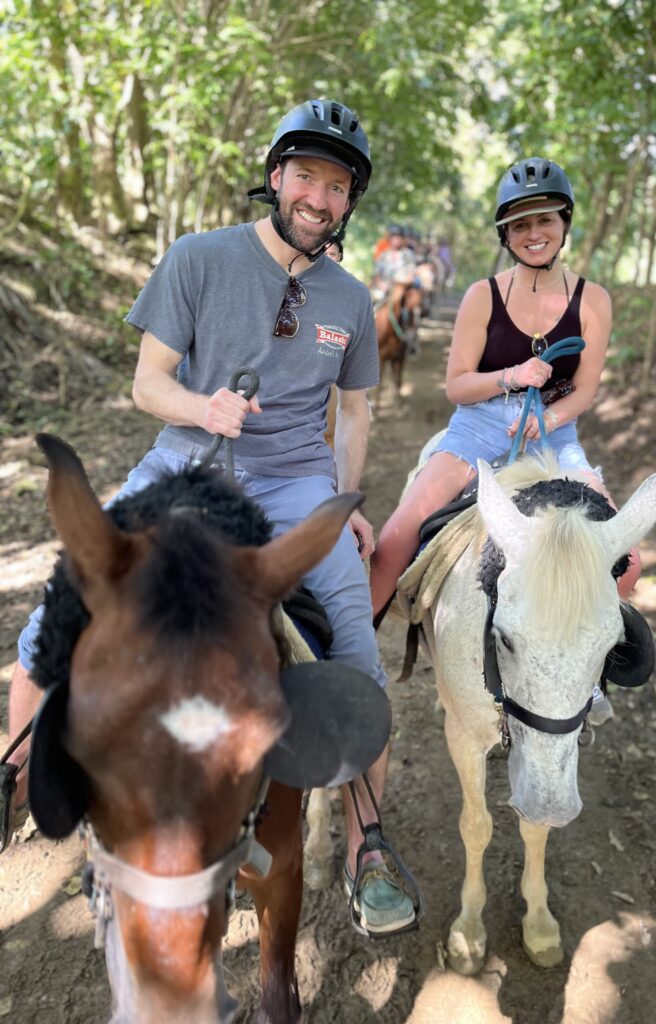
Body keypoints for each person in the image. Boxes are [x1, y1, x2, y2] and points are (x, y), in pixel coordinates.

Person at [5, 99, 416, 933]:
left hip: (297, 481)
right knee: (63, 602)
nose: (320, 196)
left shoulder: (351, 296)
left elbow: (358, 414)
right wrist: (204, 407)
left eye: (338, 185)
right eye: (306, 175)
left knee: (354, 641)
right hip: (183, 463)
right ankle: (19, 778)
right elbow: (146, 384)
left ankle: (368, 836)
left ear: (349, 202)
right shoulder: (197, 258)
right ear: (276, 179)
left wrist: (344, 505)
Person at [369, 156, 642, 726]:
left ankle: (588, 677)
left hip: (555, 431)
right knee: (396, 535)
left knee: (628, 558)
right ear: (505, 234)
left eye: (544, 220)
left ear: (565, 223)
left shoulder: (593, 300)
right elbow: (456, 385)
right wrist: (511, 378)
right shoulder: (480, 296)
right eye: (520, 225)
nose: (534, 233)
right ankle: (351, 657)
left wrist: (546, 420)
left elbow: (586, 389)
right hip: (480, 425)